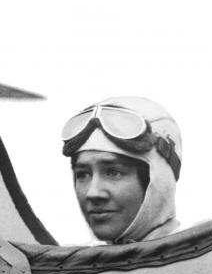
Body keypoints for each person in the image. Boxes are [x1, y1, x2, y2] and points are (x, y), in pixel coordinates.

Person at [61, 96, 182, 243]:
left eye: (113, 172)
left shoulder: (205, 262)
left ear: (159, 180)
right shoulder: (78, 263)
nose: (93, 193)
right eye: (83, 174)